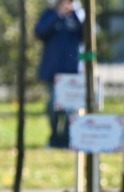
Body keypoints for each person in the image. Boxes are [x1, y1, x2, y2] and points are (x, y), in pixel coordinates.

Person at [34, 0, 84, 149]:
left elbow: (87, 34)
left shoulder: (79, 15)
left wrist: (74, 14)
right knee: (52, 106)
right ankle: (55, 138)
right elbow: (39, 32)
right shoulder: (49, 14)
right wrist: (58, 15)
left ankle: (68, 139)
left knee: (70, 108)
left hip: (73, 71)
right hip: (53, 71)